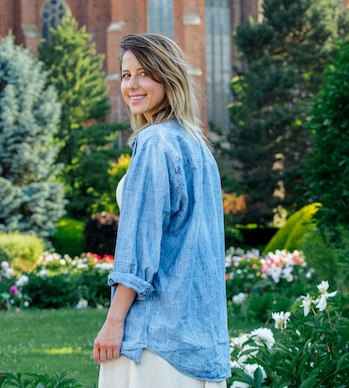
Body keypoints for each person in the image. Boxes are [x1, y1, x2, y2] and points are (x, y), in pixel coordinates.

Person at [92, 33, 231, 387]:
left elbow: (140, 249)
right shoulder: (196, 145)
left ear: (168, 77)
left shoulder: (154, 144)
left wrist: (113, 323)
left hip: (154, 342)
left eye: (144, 73)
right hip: (198, 339)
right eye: (126, 75)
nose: (132, 85)